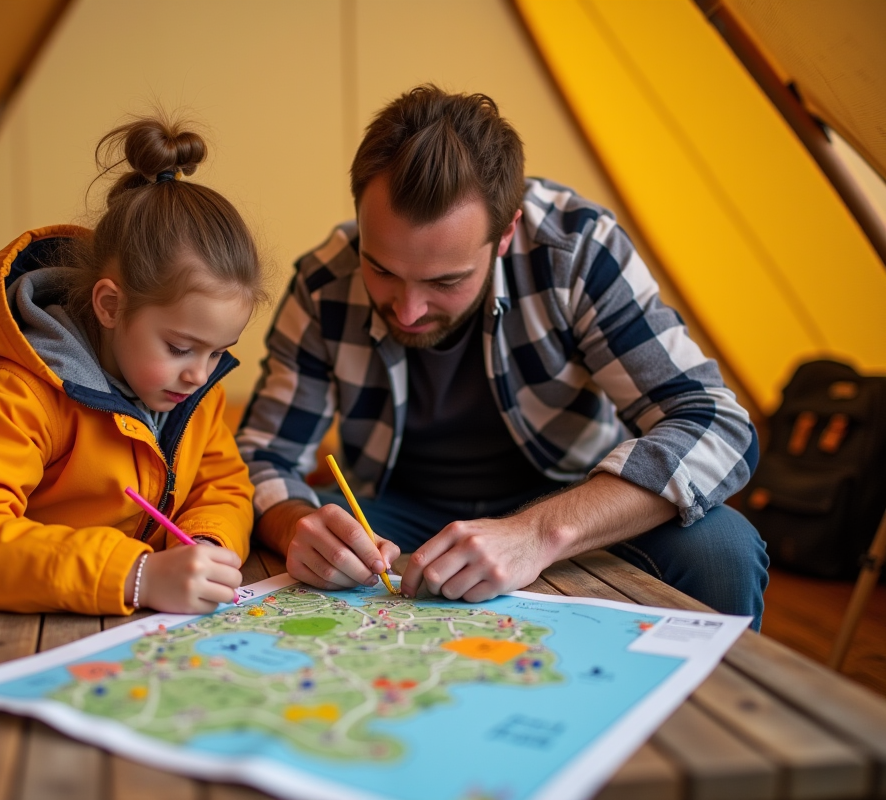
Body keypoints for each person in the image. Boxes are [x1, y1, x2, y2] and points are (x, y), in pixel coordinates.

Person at [238, 85, 767, 629]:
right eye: (381, 270)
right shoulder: (324, 282)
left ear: (507, 231)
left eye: (446, 280)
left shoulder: (576, 250)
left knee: (723, 549)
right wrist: (295, 522)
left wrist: (537, 535)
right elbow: (262, 457)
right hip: (396, 510)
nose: (409, 311)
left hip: (571, 497)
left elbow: (717, 425)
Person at [0, 115, 266, 762]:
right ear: (111, 306)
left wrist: (206, 542)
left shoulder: (191, 387)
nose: (202, 375)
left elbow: (222, 481)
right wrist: (138, 573)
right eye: (180, 347)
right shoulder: (18, 390)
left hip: (108, 638)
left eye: (219, 351)